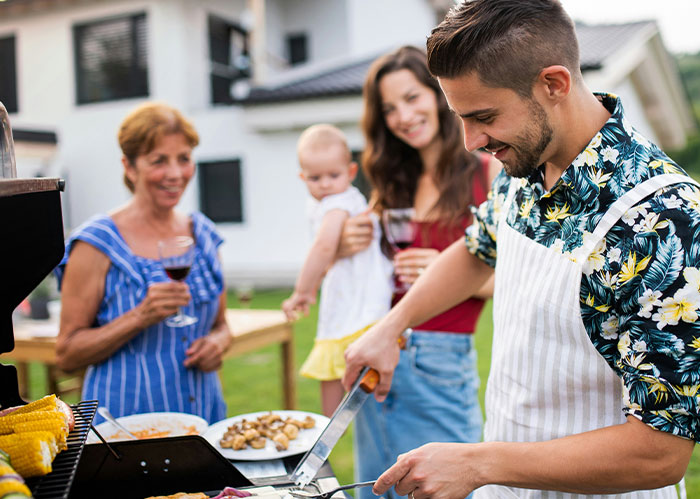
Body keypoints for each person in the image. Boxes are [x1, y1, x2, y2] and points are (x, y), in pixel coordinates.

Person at [343, 1, 699, 498]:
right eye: (460, 118)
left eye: (484, 116)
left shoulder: (663, 217)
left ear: (554, 83)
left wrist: (479, 461)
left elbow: (659, 452)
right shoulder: (525, 166)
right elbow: (476, 250)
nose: (470, 142)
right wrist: (391, 326)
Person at [338, 46, 500, 499]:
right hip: (380, 352)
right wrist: (346, 244)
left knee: (451, 489)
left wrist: (443, 269)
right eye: (389, 108)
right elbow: (366, 270)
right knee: (376, 486)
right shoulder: (392, 181)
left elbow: (517, 280)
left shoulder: (485, 171)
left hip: (440, 362)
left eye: (412, 98)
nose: (404, 116)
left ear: (439, 94)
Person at [54, 102, 232, 424]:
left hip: (205, 421)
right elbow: (67, 353)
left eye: (184, 159)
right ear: (129, 166)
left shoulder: (203, 234)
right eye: (158, 161)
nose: (176, 174)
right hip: (125, 430)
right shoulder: (96, 243)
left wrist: (217, 344)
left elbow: (221, 324)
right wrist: (140, 316)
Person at [282, 124, 393, 417]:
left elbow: (323, 247)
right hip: (364, 291)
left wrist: (302, 291)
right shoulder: (346, 197)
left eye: (334, 175)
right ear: (302, 178)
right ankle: (333, 424)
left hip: (353, 295)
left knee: (333, 357)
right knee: (341, 359)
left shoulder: (337, 203)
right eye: (316, 178)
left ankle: (326, 426)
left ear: (351, 172)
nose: (326, 184)